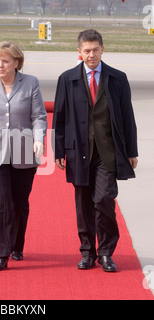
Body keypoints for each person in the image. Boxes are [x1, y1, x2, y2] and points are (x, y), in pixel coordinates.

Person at [52, 29, 138, 272]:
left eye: (95, 50)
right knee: (83, 204)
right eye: (86, 51)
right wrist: (59, 149)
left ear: (103, 49)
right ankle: (87, 252)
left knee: (103, 199)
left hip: (107, 152)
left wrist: (131, 151)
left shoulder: (117, 78)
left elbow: (127, 117)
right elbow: (59, 117)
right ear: (79, 52)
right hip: (78, 151)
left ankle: (107, 253)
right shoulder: (67, 79)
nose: (91, 55)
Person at [0, 41, 47, 271]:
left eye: (5, 61)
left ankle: (17, 245)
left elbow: (39, 116)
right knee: (2, 201)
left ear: (17, 62)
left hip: (24, 150)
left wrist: (38, 139)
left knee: (19, 203)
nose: (0, 65)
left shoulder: (30, 83)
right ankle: (1, 253)